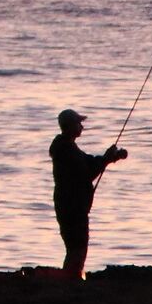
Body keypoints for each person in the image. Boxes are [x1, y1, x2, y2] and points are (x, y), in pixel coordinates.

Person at [48, 108, 126, 280]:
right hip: (72, 205)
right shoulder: (66, 150)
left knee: (76, 246)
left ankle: (71, 277)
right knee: (78, 246)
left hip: (71, 204)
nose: (81, 127)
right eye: (78, 123)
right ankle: (71, 279)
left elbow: (89, 162)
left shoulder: (68, 148)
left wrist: (111, 157)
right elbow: (86, 171)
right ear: (69, 126)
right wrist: (106, 159)